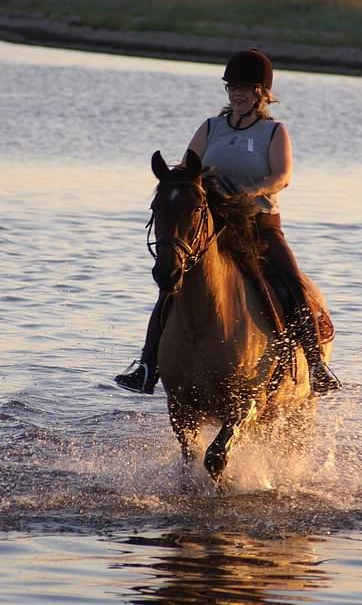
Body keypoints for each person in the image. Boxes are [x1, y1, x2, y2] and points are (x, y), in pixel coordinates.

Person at [114, 49, 341, 396]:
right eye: (232, 88)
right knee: (171, 285)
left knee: (292, 284)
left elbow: (282, 176)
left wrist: (250, 192)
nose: (237, 94)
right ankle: (147, 365)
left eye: (246, 89)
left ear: (260, 94)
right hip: (214, 226)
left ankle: (315, 364)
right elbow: (189, 169)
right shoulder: (210, 128)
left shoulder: (273, 131)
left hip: (260, 224)